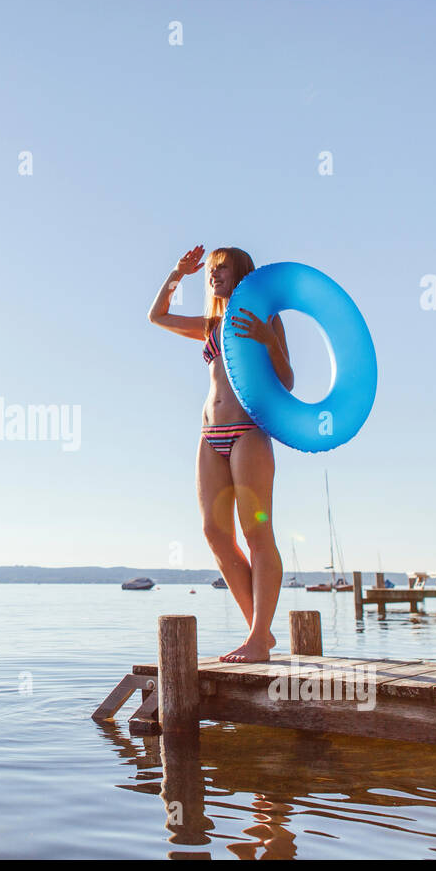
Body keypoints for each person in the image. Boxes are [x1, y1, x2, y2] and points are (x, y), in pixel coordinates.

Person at [148, 245, 294, 662]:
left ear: (242, 273)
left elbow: (287, 381)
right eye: (211, 271)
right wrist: (177, 273)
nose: (214, 276)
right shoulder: (212, 324)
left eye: (222, 269)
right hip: (209, 434)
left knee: (256, 534)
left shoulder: (264, 320)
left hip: (248, 432)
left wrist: (270, 342)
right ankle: (259, 636)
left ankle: (257, 636)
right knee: (215, 534)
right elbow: (156, 317)